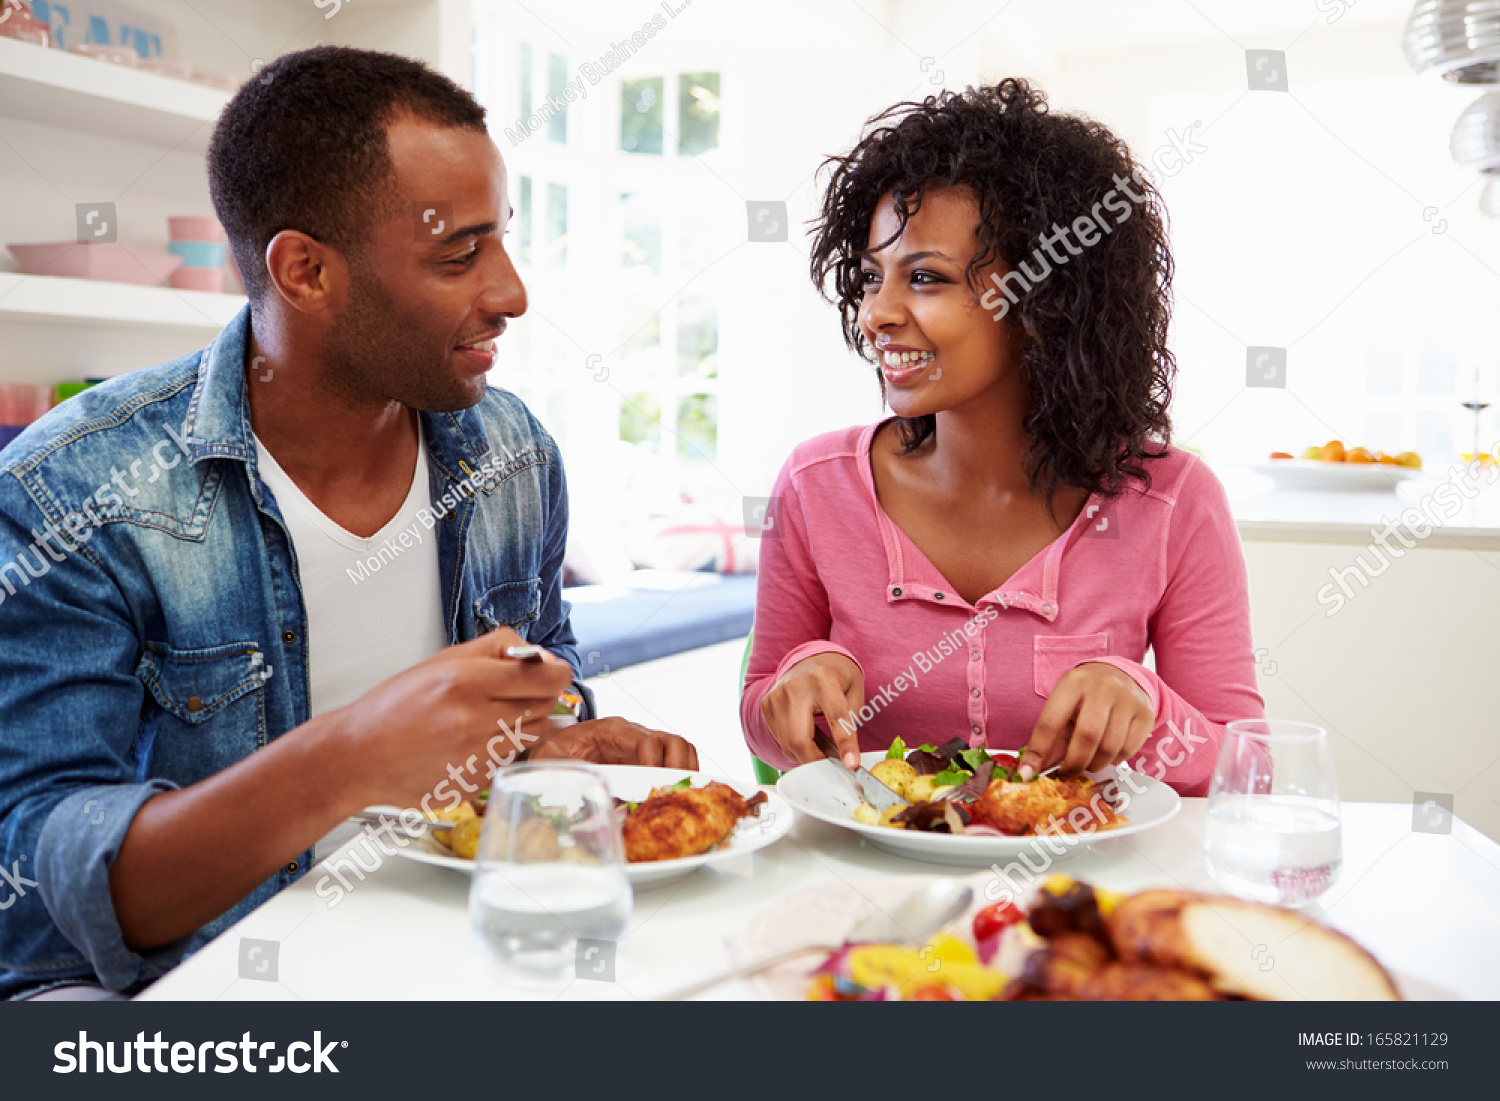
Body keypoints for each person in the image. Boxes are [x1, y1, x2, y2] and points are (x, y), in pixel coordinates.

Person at [0, 46, 696, 1000]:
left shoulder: (512, 455)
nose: (511, 292)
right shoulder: (77, 488)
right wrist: (348, 756)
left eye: (501, 242)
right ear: (306, 272)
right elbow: (33, 893)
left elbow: (541, 681)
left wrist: (559, 743)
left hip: (466, 950)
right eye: (461, 254)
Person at [741, 79, 1263, 795]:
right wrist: (793, 687)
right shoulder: (814, 483)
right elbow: (763, 715)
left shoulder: (1173, 501)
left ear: (1045, 298)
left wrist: (1148, 705)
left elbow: (1247, 764)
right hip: (872, 884)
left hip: (1077, 892)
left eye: (925, 278)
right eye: (870, 277)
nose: (876, 314)